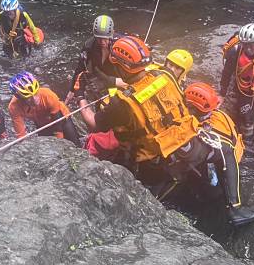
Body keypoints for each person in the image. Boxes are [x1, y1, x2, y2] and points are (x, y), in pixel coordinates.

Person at [79, 35, 200, 169]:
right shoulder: (166, 75)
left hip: (149, 159)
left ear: (121, 67)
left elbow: (94, 124)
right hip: (181, 139)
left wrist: (80, 96)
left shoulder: (121, 103)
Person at [182, 82, 254, 227]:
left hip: (185, 154)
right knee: (226, 150)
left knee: (219, 153)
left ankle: (208, 190)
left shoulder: (188, 112)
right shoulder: (191, 123)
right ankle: (235, 208)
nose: (212, 112)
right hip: (185, 152)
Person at [64, 15, 127, 105]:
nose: (102, 42)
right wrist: (72, 90)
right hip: (102, 80)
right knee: (100, 107)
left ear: (112, 33)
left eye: (105, 38)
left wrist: (110, 82)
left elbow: (131, 73)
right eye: (98, 38)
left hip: (118, 80)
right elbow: (80, 68)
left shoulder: (122, 44)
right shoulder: (89, 46)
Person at [8, 71, 79, 145]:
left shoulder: (48, 95)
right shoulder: (14, 107)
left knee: (75, 144)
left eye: (36, 93)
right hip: (42, 124)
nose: (35, 99)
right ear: (20, 98)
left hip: (61, 118)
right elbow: (21, 135)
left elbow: (58, 128)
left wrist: (59, 144)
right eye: (29, 98)